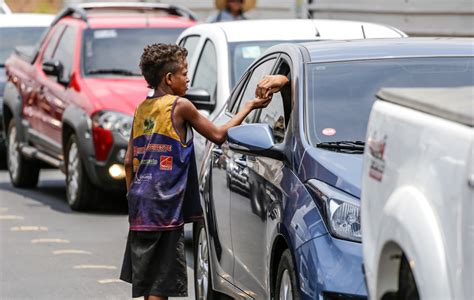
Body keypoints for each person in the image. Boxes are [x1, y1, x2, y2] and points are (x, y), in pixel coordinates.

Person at [119, 43, 272, 300]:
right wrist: (250, 106)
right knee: (161, 282)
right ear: (169, 78)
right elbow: (218, 134)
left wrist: (132, 199)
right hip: (164, 205)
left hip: (141, 203)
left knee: (149, 279)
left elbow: (127, 162)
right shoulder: (180, 106)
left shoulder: (141, 109)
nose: (188, 78)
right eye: (184, 72)